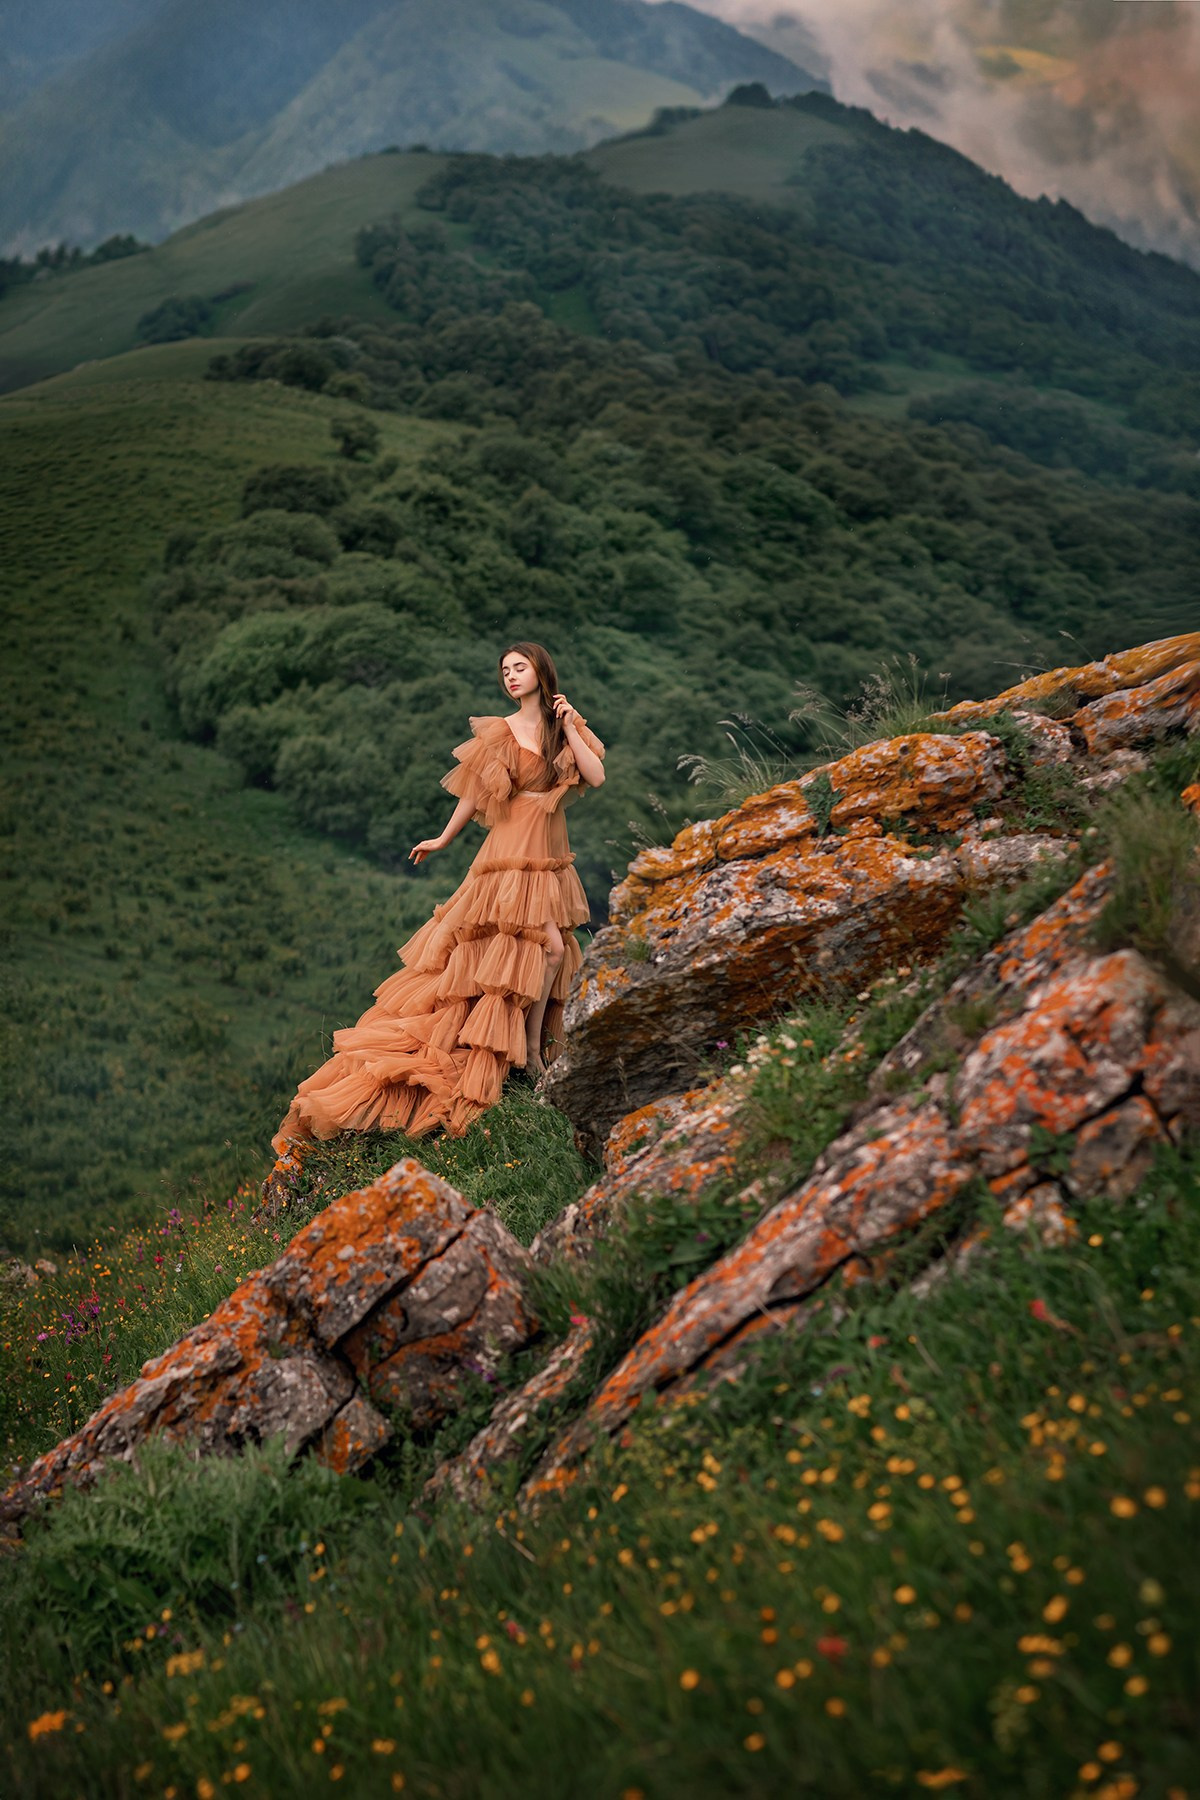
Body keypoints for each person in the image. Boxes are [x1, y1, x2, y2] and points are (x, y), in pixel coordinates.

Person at [270, 641, 605, 1152]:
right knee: (543, 951)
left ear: (541, 672)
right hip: (506, 859)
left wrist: (572, 718)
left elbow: (596, 775)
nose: (511, 677)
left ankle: (532, 1053)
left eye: (519, 668)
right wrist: (443, 838)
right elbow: (473, 795)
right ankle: (532, 1057)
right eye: (505, 670)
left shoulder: (564, 727)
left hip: (547, 861)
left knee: (546, 954)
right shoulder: (501, 730)